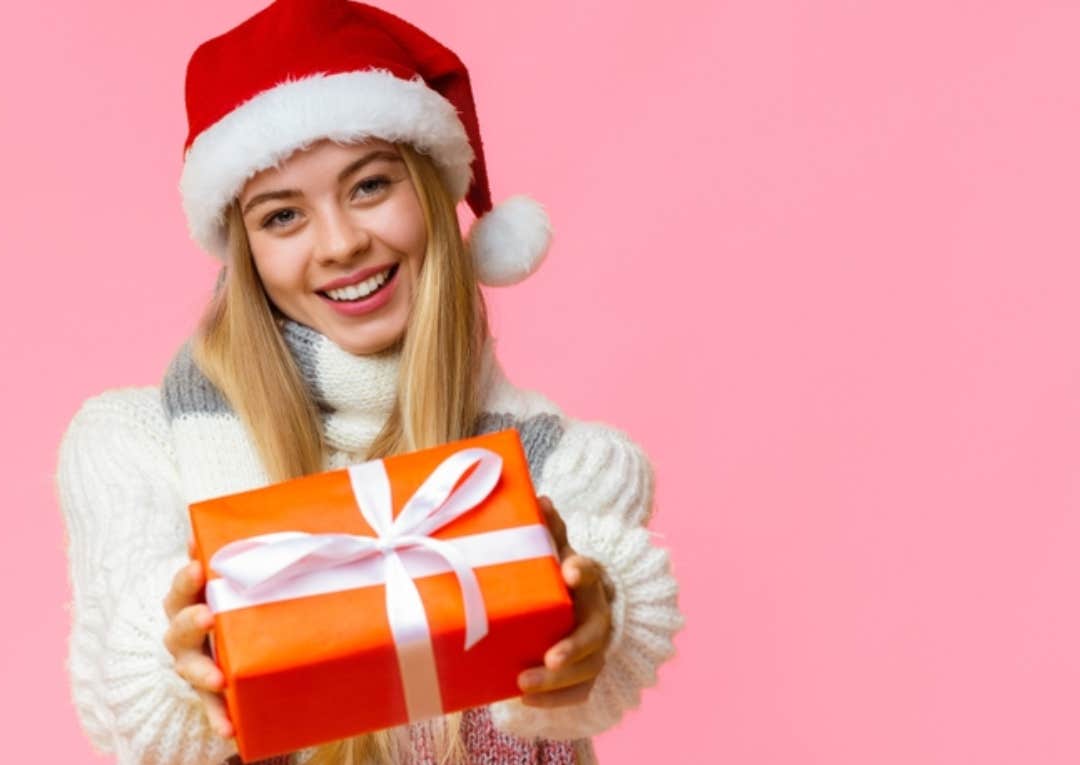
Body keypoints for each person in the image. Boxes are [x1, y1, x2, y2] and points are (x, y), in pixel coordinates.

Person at [54, 1, 684, 763]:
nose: (342, 243)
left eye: (369, 186)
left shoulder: (553, 463)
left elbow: (606, 603)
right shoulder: (135, 444)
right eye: (282, 216)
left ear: (430, 190)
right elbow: (127, 710)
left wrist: (594, 622)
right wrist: (175, 660)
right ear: (244, 251)